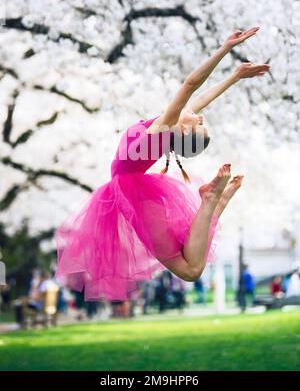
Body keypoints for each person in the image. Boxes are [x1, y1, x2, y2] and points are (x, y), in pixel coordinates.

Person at [55, 27, 270, 302]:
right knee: (190, 268)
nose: (200, 117)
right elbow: (200, 99)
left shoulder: (162, 128)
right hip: (132, 190)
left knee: (190, 269)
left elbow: (191, 85)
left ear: (183, 132)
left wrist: (225, 48)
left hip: (133, 195)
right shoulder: (166, 128)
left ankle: (213, 200)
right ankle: (213, 200)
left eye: (199, 124)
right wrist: (235, 76)